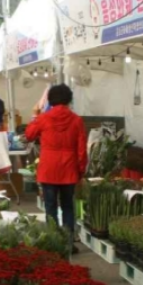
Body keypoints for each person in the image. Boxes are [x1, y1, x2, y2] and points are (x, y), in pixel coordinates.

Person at [25, 84, 87, 255]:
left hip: (48, 168)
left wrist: (35, 115)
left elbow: (29, 135)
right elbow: (82, 150)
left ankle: (53, 243)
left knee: (50, 207)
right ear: (68, 99)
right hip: (69, 168)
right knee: (68, 207)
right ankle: (68, 243)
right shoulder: (76, 120)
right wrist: (81, 170)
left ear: (51, 99)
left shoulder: (44, 118)